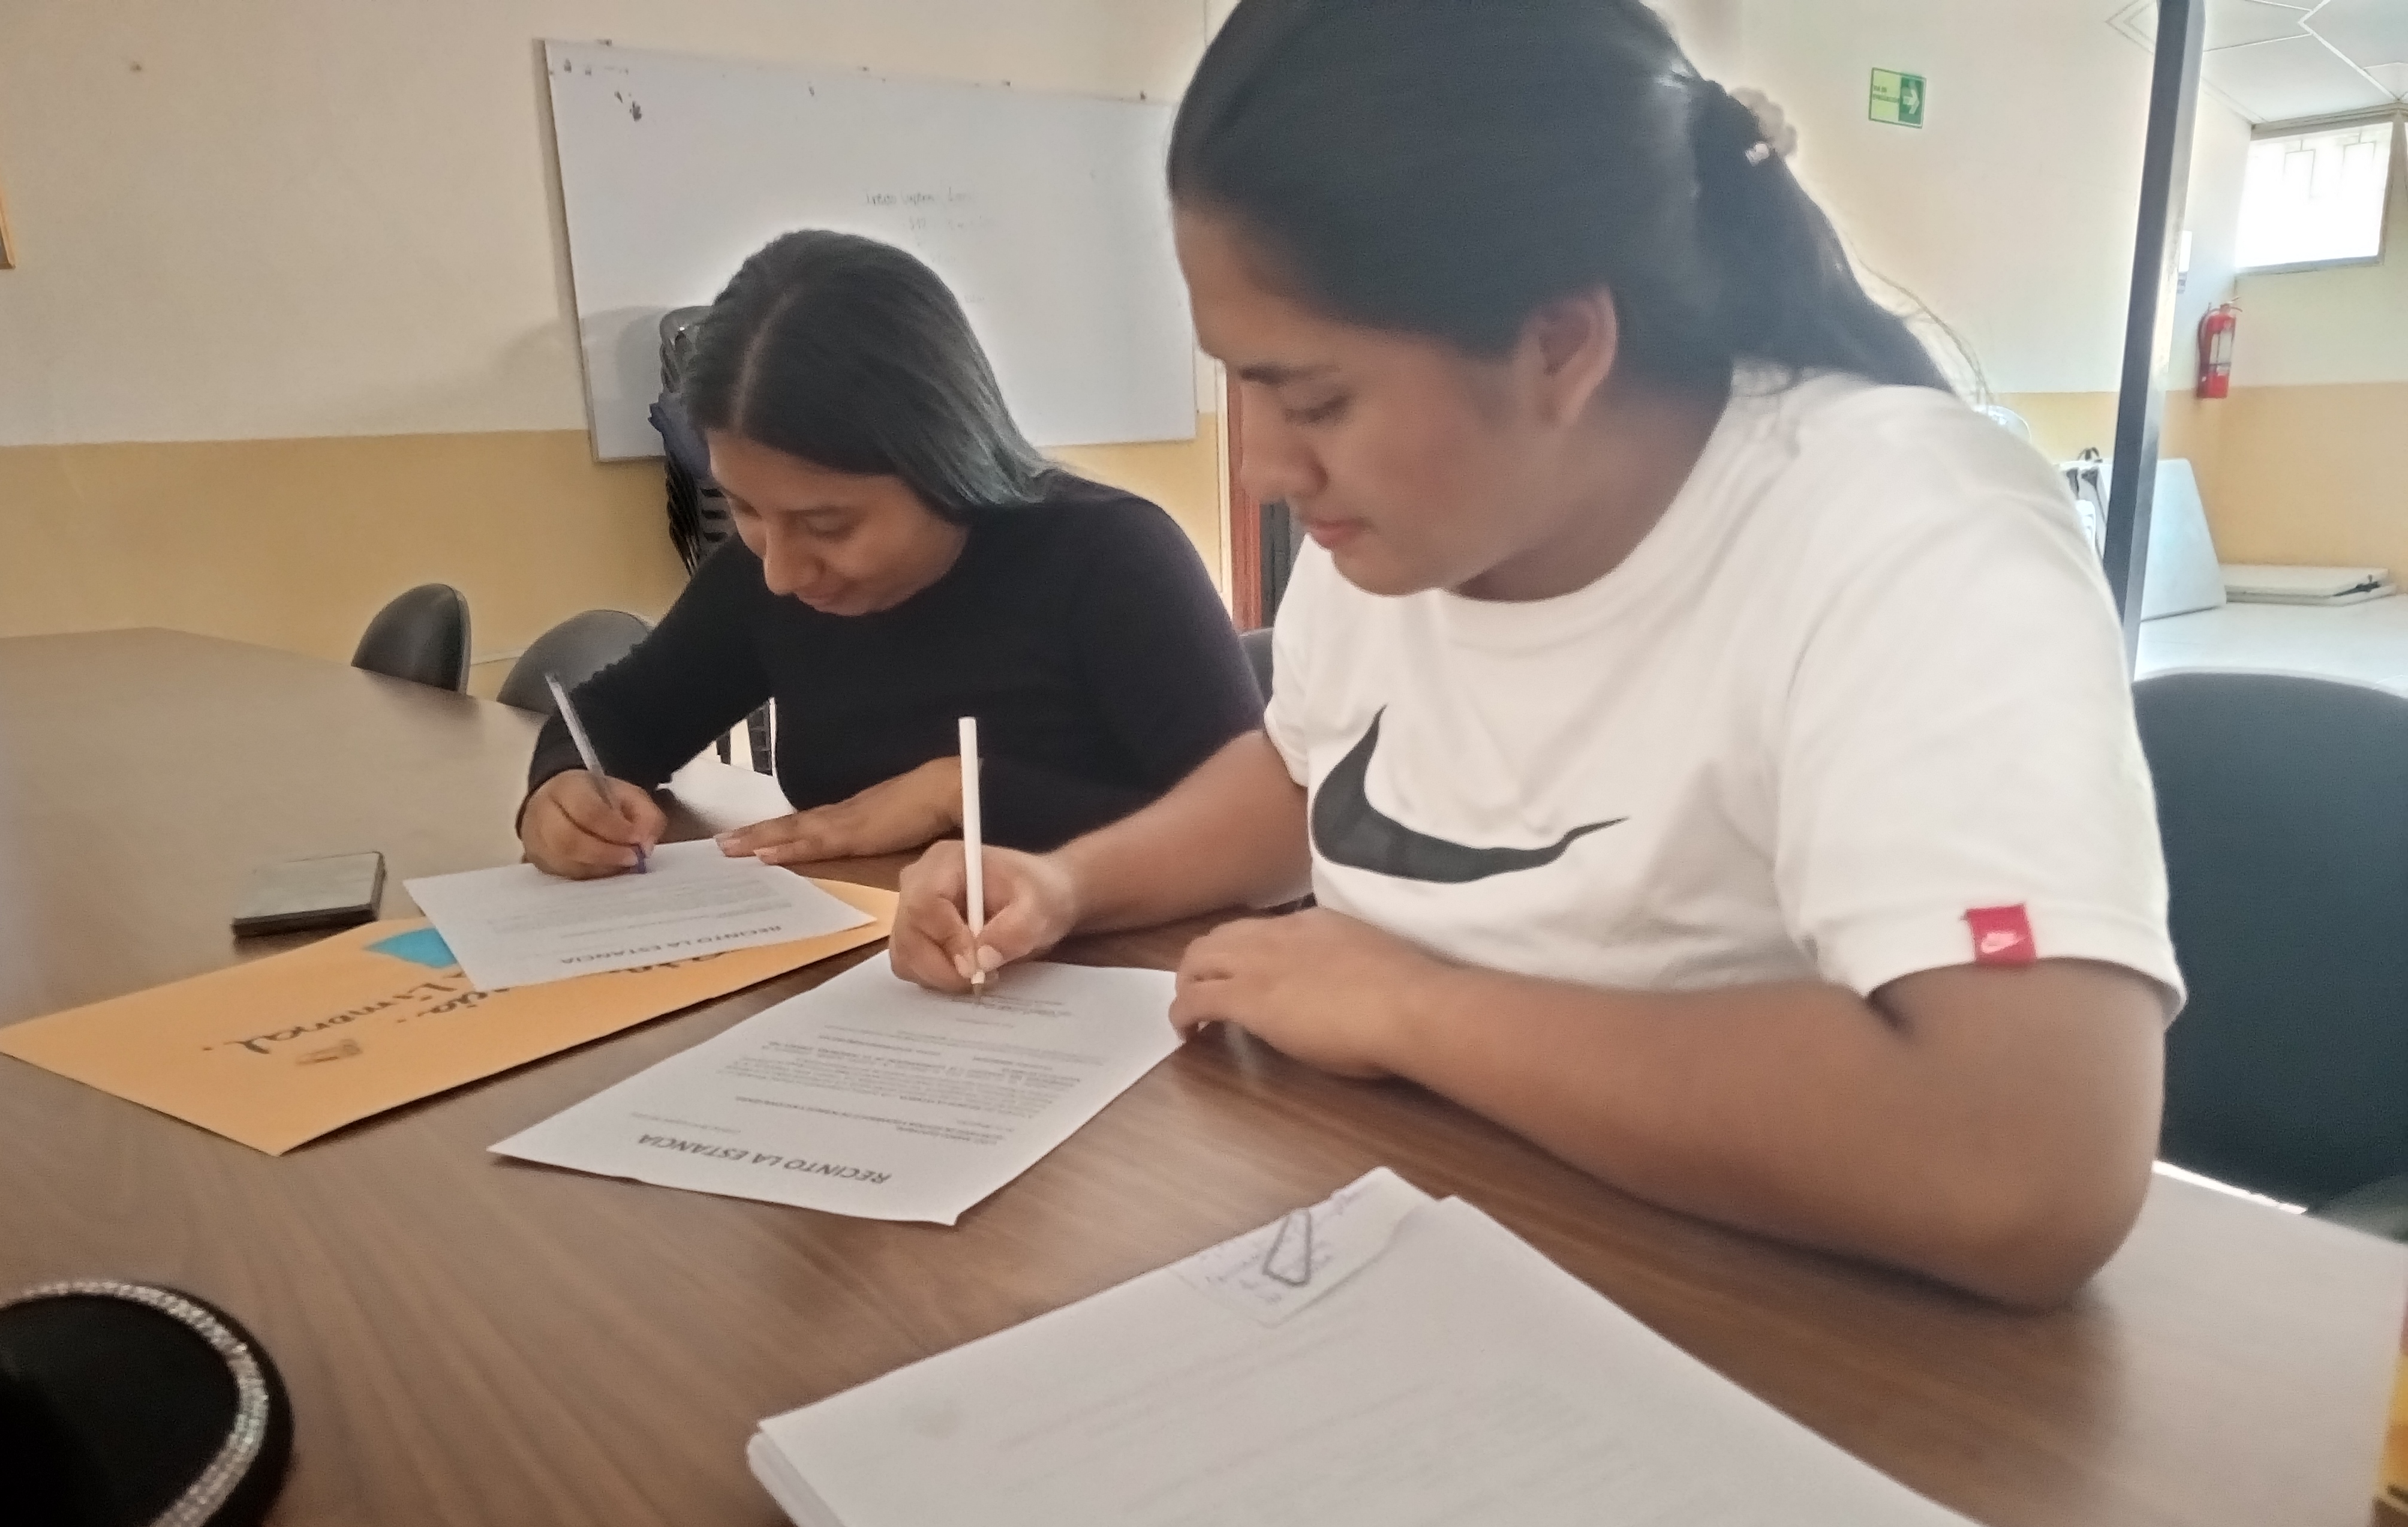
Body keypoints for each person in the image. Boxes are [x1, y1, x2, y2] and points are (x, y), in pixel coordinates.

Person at [891, 0, 2182, 1307]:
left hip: (1759, 1313)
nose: (1265, 468)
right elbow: (1305, 777)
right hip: (1389, 1224)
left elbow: (2024, 1162)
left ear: (1559, 346)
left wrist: (1414, 1009)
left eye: (1316, 397)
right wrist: (1067, 882)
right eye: (1241, 383)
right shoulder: (1400, 528)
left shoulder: (1908, 533)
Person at [518, 230, 1262, 877]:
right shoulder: (763, 574)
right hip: (871, 958)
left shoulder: (1109, 559)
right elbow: (621, 713)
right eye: (745, 508)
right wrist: (565, 787)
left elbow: (1251, 837)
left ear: (943, 460)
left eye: (829, 525)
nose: (781, 571)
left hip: (1123, 973)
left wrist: (961, 794)